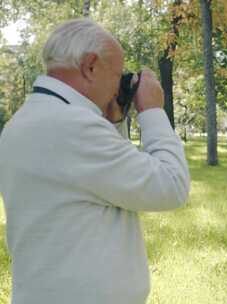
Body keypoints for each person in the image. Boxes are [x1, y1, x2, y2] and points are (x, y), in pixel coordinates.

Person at [0, 19, 190, 304]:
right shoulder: (72, 126)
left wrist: (114, 122)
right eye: (116, 76)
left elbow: (104, 186)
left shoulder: (28, 119)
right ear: (90, 66)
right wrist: (152, 111)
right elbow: (170, 187)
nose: (118, 88)